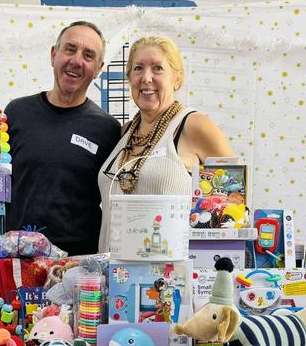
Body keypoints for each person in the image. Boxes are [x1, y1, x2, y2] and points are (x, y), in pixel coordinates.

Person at [97, 36, 234, 253]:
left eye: (158, 68)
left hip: (169, 279)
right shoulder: (125, 132)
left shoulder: (194, 126)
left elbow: (234, 204)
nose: (146, 78)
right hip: (112, 275)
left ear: (177, 79)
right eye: (138, 68)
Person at [5, 21, 121, 256]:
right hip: (15, 259)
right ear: (53, 54)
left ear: (99, 68)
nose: (77, 60)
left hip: (78, 266)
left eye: (88, 55)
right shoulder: (16, 113)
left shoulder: (108, 129)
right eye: (70, 49)